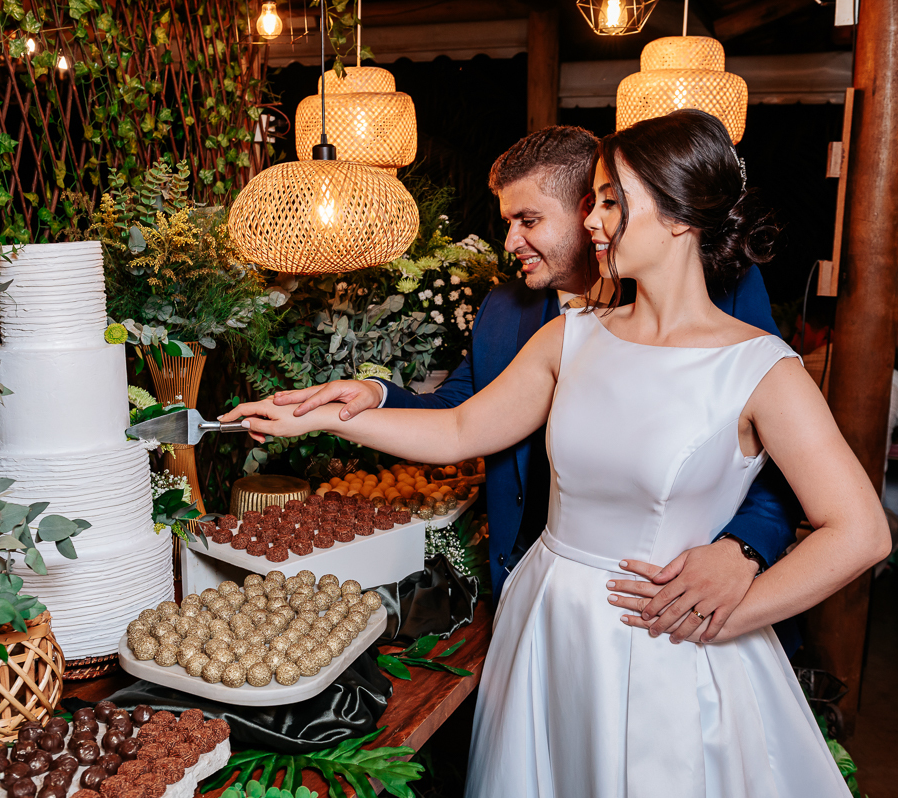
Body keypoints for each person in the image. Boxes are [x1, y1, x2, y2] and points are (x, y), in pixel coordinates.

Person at [223, 110, 890, 797]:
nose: (594, 221)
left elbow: (861, 532)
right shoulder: (573, 335)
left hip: (661, 635)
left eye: (610, 202)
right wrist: (326, 419)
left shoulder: (761, 368)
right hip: (547, 618)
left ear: (681, 218)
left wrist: (734, 614)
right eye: (592, 202)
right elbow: (460, 431)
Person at [274, 125, 802, 650]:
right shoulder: (514, 314)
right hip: (539, 589)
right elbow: (462, 416)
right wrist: (370, 396)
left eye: (528, 220)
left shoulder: (725, 299)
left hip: (671, 605)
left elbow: (777, 450)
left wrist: (743, 550)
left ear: (587, 208)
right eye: (508, 223)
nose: (510, 243)